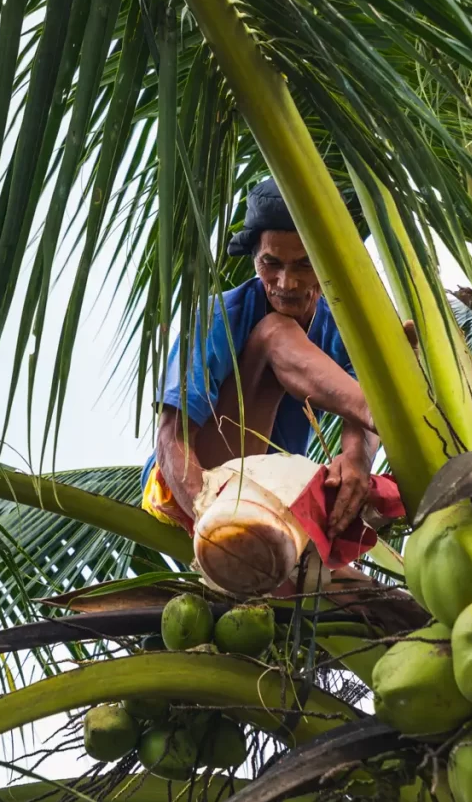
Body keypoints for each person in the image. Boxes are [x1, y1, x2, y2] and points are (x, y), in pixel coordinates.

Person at [141, 178, 381, 540]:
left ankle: (379, 412)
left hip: (266, 493)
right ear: (254, 259)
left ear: (326, 263)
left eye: (304, 265)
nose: (286, 282)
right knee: (275, 333)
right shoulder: (220, 317)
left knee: (360, 589)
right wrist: (206, 513)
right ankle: (387, 414)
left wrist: (358, 459)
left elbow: (358, 412)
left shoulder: (339, 327)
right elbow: (170, 436)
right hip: (193, 486)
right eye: (271, 263)